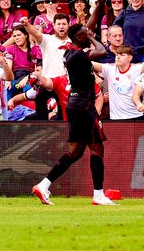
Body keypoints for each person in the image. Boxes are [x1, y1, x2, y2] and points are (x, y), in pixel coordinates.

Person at [32, 21, 116, 207]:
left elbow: (86, 24)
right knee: (97, 149)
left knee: (75, 152)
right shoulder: (78, 55)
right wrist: (94, 38)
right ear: (80, 37)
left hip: (74, 104)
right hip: (84, 105)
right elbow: (103, 52)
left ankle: (43, 185)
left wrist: (100, 4)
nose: (89, 33)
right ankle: (99, 195)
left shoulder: (70, 52)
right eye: (86, 33)